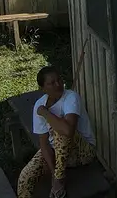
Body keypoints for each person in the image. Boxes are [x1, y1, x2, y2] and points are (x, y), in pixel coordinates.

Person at [17, 66, 96, 198]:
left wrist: (45, 113)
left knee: (59, 130)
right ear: (42, 89)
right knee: (25, 178)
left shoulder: (71, 97)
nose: (58, 84)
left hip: (83, 153)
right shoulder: (39, 104)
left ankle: (59, 180)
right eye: (52, 83)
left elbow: (68, 131)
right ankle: (56, 175)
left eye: (59, 80)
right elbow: (44, 143)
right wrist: (52, 171)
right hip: (57, 155)